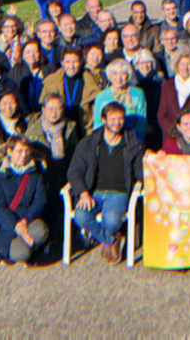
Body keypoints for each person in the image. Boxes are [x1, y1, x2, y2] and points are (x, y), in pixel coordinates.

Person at [68, 101, 145, 262]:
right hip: (93, 192)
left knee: (111, 220)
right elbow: (74, 171)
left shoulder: (133, 144)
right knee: (81, 216)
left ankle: (106, 237)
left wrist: (151, 163)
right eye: (113, 119)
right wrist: (83, 193)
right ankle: (110, 240)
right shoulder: (89, 143)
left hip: (119, 193)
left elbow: (139, 172)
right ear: (103, 119)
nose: (117, 123)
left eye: (121, 119)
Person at [0, 135, 49, 265]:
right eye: (19, 151)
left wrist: (25, 220)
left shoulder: (35, 170)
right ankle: (27, 245)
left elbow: (40, 200)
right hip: (11, 224)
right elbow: (0, 209)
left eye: (27, 151)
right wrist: (18, 228)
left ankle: (33, 244)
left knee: (41, 232)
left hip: (29, 219)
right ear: (10, 152)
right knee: (20, 254)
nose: (24, 155)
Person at [42, 48, 102, 134]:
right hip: (59, 131)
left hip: (83, 130)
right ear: (62, 62)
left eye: (75, 62)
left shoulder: (92, 82)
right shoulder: (51, 83)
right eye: (67, 62)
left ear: (81, 62)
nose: (71, 66)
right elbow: (43, 110)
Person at [93, 59, 148, 139]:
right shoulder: (101, 96)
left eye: (123, 74)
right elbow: (98, 122)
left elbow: (141, 122)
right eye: (115, 73)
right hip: (108, 140)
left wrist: (136, 140)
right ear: (109, 75)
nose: (119, 77)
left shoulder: (138, 93)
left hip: (132, 139)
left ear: (128, 75)